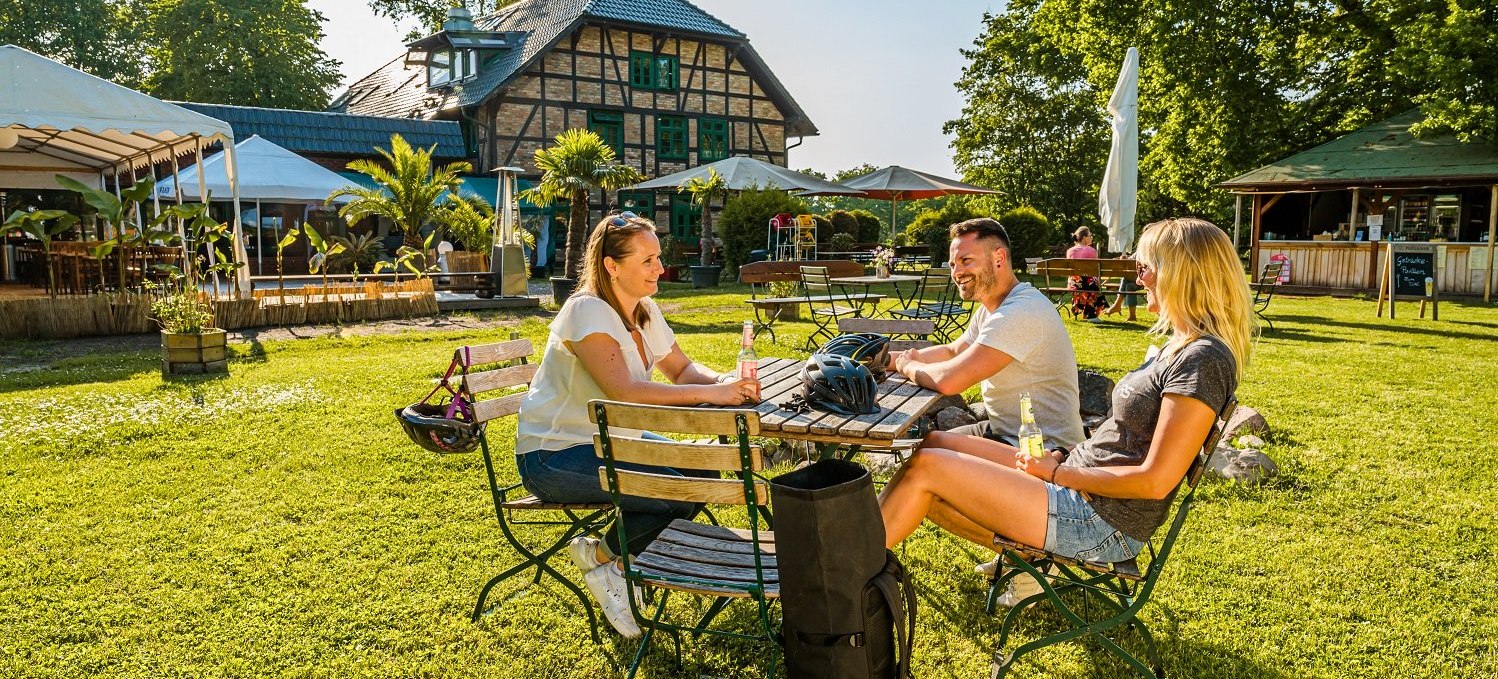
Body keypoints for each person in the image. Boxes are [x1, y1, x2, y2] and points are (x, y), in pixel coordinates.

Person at [878, 218, 1252, 581]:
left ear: (1181, 271)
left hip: (1099, 520)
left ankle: (844, 572)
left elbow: (1154, 480)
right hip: (1075, 480)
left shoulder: (1202, 360)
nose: (1137, 278)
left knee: (928, 469)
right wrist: (1065, 459)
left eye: (1144, 267)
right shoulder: (1180, 348)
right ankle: (854, 556)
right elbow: (1124, 438)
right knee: (934, 444)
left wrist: (1060, 474)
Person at [514, 211, 761, 638]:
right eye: (647, 260)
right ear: (612, 265)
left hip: (612, 443)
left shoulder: (643, 310)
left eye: (658, 257)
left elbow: (682, 370)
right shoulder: (586, 311)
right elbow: (624, 391)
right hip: (553, 455)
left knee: (702, 471)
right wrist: (713, 395)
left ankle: (611, 560)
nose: (660, 268)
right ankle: (606, 563)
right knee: (676, 492)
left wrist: (726, 382)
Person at [889, 217, 1085, 451]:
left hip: (1045, 449)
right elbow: (953, 351)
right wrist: (884, 360)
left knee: (930, 452)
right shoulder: (992, 308)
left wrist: (908, 367)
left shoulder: (1021, 311)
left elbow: (951, 380)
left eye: (966, 261)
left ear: (999, 258)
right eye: (952, 264)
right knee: (927, 447)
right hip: (1006, 432)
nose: (957, 272)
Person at [1066, 226, 1108, 321]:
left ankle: (1080, 309)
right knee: (1094, 286)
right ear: (1084, 237)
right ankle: (1091, 315)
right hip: (1087, 284)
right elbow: (1095, 271)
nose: (1091, 238)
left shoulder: (1070, 251)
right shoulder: (1092, 251)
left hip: (1073, 283)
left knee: (1090, 284)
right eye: (1090, 236)